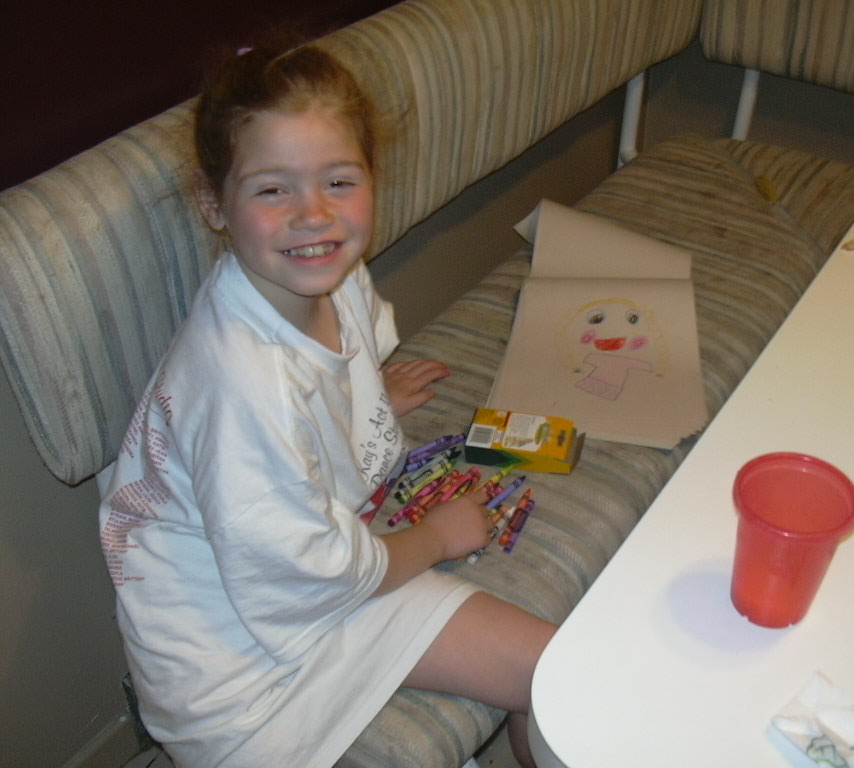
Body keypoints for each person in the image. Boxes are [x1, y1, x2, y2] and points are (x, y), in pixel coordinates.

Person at [98, 41, 555, 768]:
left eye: (339, 181)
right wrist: (436, 537)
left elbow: (320, 384)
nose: (314, 215)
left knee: (563, 678)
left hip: (298, 586)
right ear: (214, 203)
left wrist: (364, 395)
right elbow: (310, 575)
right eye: (272, 190)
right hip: (240, 684)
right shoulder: (240, 386)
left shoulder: (331, 277)